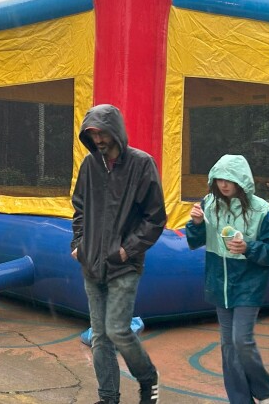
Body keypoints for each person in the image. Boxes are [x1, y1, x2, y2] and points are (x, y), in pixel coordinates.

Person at [70, 104, 166, 404]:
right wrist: (79, 244)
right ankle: (108, 397)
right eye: (92, 133)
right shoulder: (89, 165)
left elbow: (155, 218)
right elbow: (79, 208)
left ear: (115, 130)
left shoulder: (142, 164)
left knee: (118, 330)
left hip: (124, 265)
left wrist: (127, 251)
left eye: (102, 132)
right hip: (91, 264)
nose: (98, 139)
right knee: (100, 336)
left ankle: (148, 378)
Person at [186, 154, 269, 404]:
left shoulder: (262, 211)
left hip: (249, 283)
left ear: (242, 181)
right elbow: (194, 241)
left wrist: (249, 248)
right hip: (219, 283)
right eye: (219, 179)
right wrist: (196, 223)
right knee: (228, 346)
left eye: (229, 179)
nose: (224, 184)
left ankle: (264, 391)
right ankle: (240, 399)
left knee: (241, 341)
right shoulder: (209, 204)